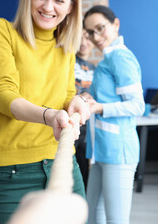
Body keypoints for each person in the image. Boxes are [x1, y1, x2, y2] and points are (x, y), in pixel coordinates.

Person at [0, 0, 90, 224]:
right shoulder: (1, 30)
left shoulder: (66, 45)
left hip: (62, 165)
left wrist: (76, 103)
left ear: (71, 7)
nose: (49, 6)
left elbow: (67, 95)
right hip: (11, 172)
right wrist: (48, 115)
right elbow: (2, 94)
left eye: (60, 1)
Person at [83, 5, 145, 224]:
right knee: (94, 222)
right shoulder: (108, 59)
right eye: (90, 32)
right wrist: (91, 99)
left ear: (115, 25)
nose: (96, 37)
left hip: (119, 152)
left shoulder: (121, 57)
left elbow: (137, 105)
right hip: (102, 152)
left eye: (100, 29)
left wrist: (99, 107)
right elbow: (110, 98)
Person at [74, 29, 95, 190]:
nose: (83, 43)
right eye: (79, 38)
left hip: (87, 127)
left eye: (87, 38)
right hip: (72, 123)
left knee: (83, 169)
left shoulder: (93, 68)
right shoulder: (70, 61)